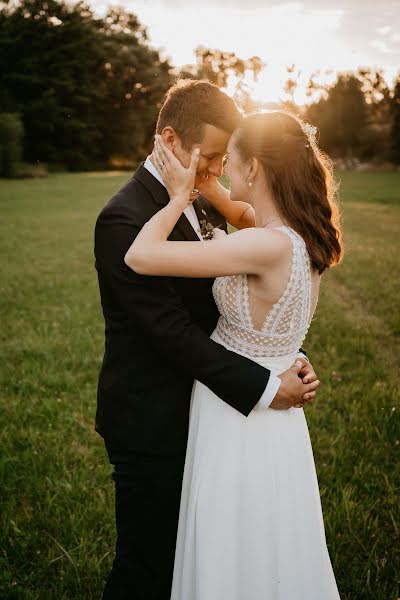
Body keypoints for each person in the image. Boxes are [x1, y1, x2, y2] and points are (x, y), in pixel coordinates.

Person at [94, 80, 320, 600]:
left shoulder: (205, 199)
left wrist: (288, 353)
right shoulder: (124, 218)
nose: (219, 171)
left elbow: (252, 297)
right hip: (153, 418)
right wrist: (266, 385)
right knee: (148, 566)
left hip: (211, 412)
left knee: (205, 561)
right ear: (170, 141)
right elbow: (173, 334)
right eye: (211, 157)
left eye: (225, 159)